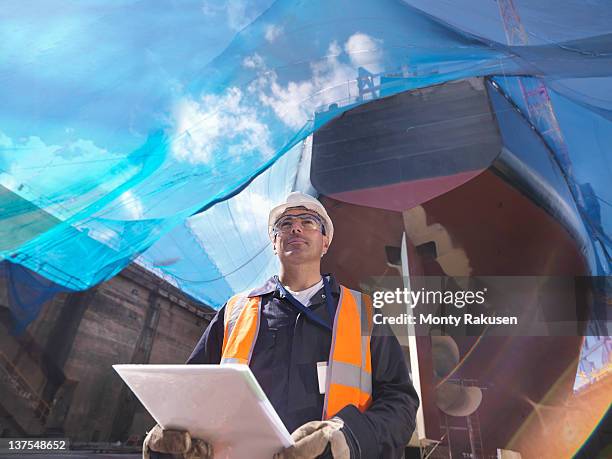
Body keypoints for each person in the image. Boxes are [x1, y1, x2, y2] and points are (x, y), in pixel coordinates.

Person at [143, 192, 419, 459]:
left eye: (308, 222)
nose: (295, 229)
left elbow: (400, 402)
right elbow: (192, 391)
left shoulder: (366, 313)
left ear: (325, 243)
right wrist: (171, 437)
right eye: (285, 224)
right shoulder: (235, 312)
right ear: (275, 243)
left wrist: (350, 438)